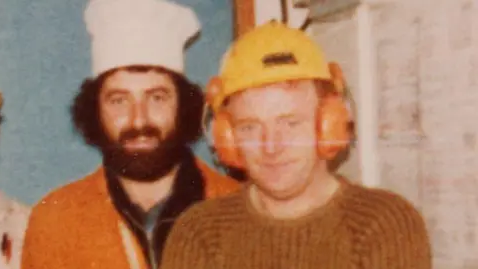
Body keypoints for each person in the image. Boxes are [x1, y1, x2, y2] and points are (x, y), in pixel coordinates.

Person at [160, 20, 432, 269]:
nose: (271, 147)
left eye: (290, 123)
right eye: (250, 127)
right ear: (228, 139)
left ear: (328, 125)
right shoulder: (200, 233)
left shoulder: (384, 225)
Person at [21, 0, 240, 268]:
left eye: (157, 98)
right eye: (119, 100)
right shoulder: (55, 222)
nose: (139, 119)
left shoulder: (239, 209)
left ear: (184, 105)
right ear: (94, 111)